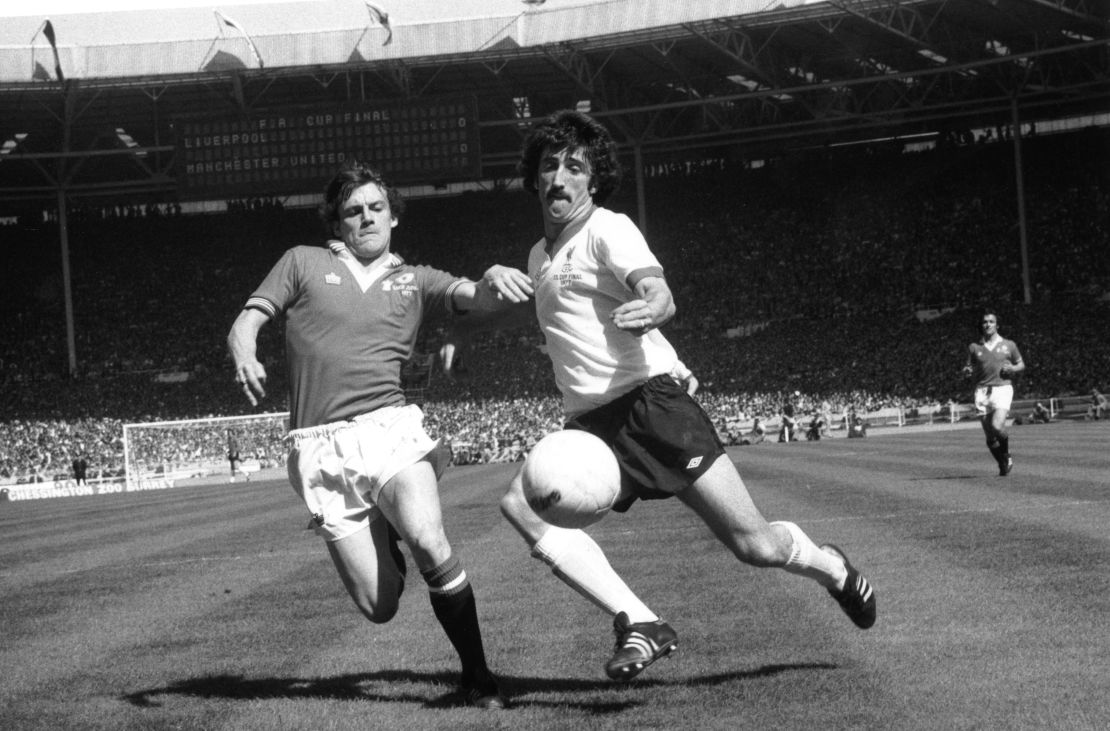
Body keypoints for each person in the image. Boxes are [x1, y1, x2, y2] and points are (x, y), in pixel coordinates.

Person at [446, 109, 876, 682]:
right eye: (550, 165)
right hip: (591, 426)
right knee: (519, 505)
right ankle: (641, 621)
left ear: (592, 181)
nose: (560, 176)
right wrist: (462, 331)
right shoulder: (539, 257)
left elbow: (657, 289)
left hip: (653, 406)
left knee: (755, 546)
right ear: (534, 177)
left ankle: (831, 567)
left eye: (575, 167)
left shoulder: (608, 228)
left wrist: (654, 304)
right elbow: (542, 316)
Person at [227, 160, 507, 709]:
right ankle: (386, 534)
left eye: (377, 207)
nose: (367, 217)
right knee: (379, 607)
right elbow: (247, 322)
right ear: (338, 222)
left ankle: (478, 679)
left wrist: (492, 280)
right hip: (317, 447)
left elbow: (475, 295)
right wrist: (244, 347)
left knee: (430, 538)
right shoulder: (301, 263)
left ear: (393, 216)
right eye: (354, 210)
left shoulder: (417, 279)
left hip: (389, 429)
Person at [962, 309, 1025, 476]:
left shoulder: (1009, 345)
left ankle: (1006, 455)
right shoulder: (974, 347)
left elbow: (1021, 364)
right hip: (982, 391)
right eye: (984, 322)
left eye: (991, 321)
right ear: (981, 326)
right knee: (990, 437)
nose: (987, 324)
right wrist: (967, 370)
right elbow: (968, 367)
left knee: (997, 426)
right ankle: (1002, 464)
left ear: (997, 325)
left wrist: (1012, 368)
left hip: (1002, 388)